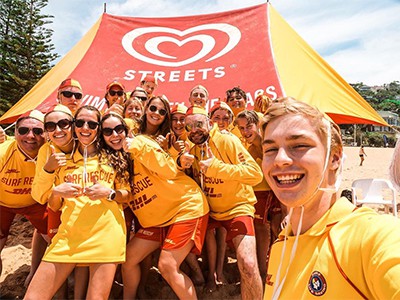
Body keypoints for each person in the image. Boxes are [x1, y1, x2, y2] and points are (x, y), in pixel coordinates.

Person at [261, 98, 400, 299]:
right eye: (270, 149)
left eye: (299, 145)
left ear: (334, 158)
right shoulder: (281, 245)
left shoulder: (371, 236)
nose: (280, 159)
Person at [25, 106, 130, 299]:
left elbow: (127, 195)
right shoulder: (60, 159)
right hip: (68, 236)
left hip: (106, 235)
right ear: (74, 126)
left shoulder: (113, 156)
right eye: (80, 122)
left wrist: (110, 193)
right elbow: (53, 205)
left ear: (98, 127)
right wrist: (56, 192)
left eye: (92, 123)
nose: (85, 127)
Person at [183, 106, 264, 299]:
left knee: (248, 264)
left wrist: (218, 168)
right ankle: (208, 277)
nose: (194, 129)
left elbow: (255, 175)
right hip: (209, 211)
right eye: (189, 126)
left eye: (199, 124)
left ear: (210, 124)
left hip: (237, 207)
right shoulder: (191, 149)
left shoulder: (227, 140)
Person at [121, 127, 210, 299]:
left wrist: (137, 145)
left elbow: (168, 168)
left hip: (185, 207)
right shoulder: (112, 160)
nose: (114, 135)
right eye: (108, 131)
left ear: (128, 133)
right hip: (157, 219)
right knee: (128, 259)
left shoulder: (140, 143)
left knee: (167, 265)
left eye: (119, 130)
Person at [31, 104, 88, 299]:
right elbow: (38, 195)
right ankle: (61, 295)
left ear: (73, 125)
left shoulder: (85, 143)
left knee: (84, 260)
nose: (57, 130)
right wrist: (48, 169)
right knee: (56, 253)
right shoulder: (46, 151)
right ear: (46, 131)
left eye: (63, 123)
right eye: (50, 126)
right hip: (58, 207)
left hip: (83, 207)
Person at [234, 110, 283, 287]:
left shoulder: (264, 145)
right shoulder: (249, 147)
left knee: (267, 229)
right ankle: (270, 268)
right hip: (262, 192)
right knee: (272, 229)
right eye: (241, 128)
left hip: (266, 192)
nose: (245, 131)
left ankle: (264, 270)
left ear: (257, 125)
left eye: (249, 126)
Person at [0, 110, 48, 286]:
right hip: (2, 203)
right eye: (23, 130)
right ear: (14, 133)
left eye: (37, 131)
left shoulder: (50, 152)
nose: (30, 136)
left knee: (56, 242)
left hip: (35, 203)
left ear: (46, 134)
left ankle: (39, 277)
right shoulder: (3, 153)